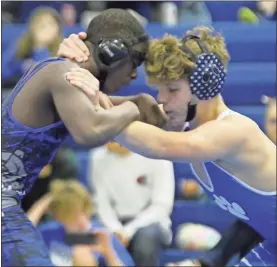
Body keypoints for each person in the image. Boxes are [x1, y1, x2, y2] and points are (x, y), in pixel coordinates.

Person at [66, 26, 276, 266]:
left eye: (172, 89)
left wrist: (90, 107)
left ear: (204, 86)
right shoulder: (192, 128)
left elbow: (160, 144)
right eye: (160, 90)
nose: (162, 99)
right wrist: (79, 79)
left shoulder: (234, 131)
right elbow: (131, 114)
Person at [1, 9, 165, 266]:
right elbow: (90, 130)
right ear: (113, 52)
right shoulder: (62, 74)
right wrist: (135, 107)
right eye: (134, 64)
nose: (134, 75)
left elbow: (97, 109)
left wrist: (137, 104)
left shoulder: (64, 75)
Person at [90, 141, 174, 266]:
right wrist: (115, 229)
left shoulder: (158, 156)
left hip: (151, 224)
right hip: (113, 223)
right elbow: (101, 203)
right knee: (91, 240)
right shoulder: (97, 157)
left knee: (145, 241)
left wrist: (128, 231)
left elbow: (162, 206)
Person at [27, 179, 134, 266]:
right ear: (59, 216)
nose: (80, 219)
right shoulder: (48, 232)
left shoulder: (102, 235)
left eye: (84, 211)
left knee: (81, 254)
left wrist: (108, 252)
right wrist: (46, 201)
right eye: (72, 215)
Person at [2, 6, 63, 86]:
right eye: (40, 24)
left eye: (50, 24)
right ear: (32, 27)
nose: (44, 28)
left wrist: (41, 47)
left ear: (58, 29)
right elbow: (4, 72)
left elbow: (46, 76)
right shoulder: (19, 47)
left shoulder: (63, 51)